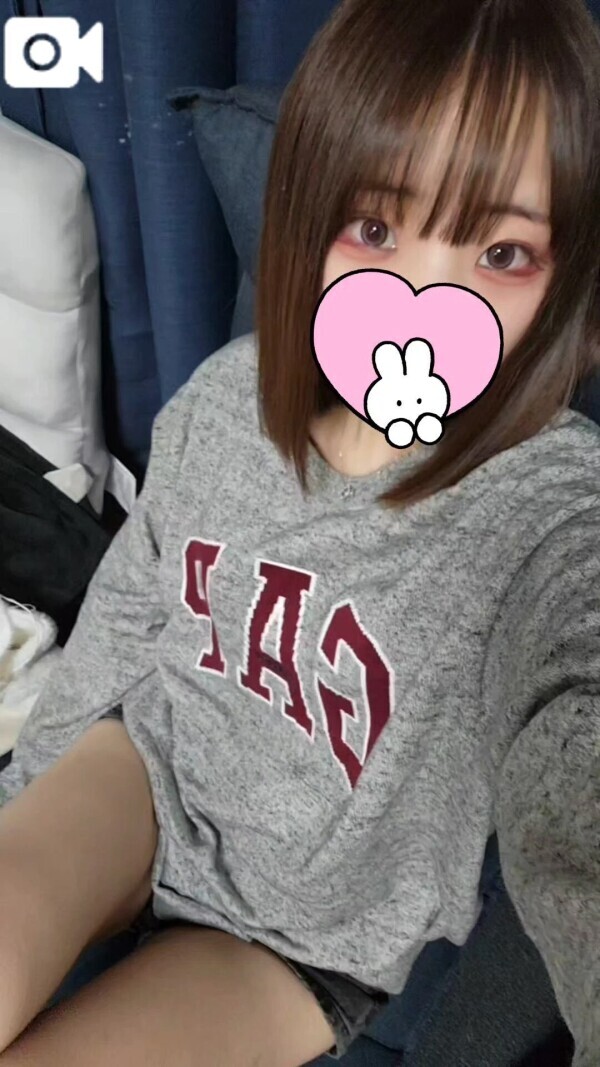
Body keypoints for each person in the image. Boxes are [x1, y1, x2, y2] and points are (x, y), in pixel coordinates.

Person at [0, 0, 599, 1063]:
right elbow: (129, 613)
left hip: (296, 942)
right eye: (375, 230)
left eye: (502, 251)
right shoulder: (227, 399)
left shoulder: (548, 509)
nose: (419, 300)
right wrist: (26, 805)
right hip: (141, 770)